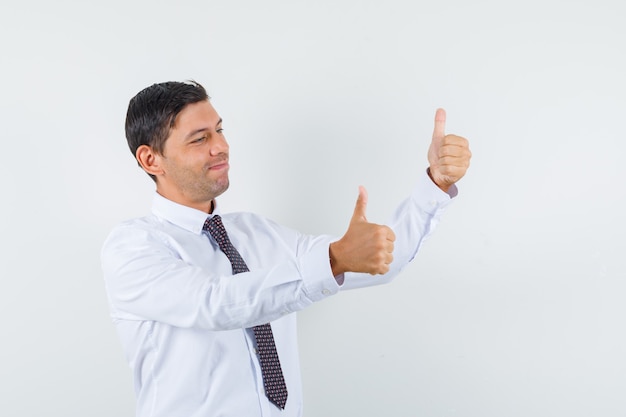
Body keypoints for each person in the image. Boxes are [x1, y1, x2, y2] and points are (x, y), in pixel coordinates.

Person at [101, 80, 471, 417]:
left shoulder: (257, 233)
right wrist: (334, 259)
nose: (221, 146)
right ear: (151, 159)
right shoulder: (133, 246)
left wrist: (434, 186)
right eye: (199, 139)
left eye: (220, 130)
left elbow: (382, 259)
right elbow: (215, 303)